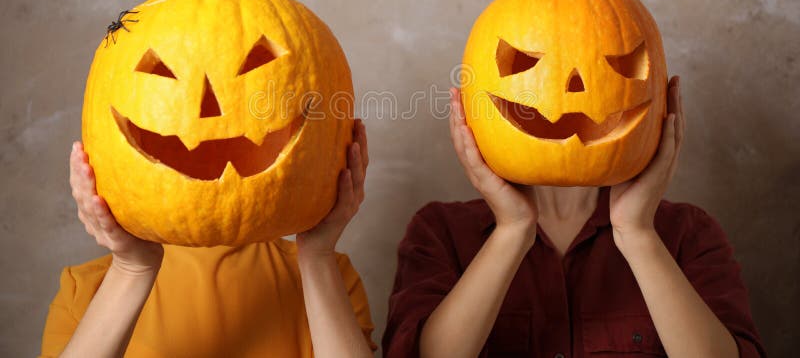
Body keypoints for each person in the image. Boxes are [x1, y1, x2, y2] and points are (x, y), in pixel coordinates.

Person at [383, 77, 766, 357]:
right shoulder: (439, 233)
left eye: (616, 67)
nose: (572, 87)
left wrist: (637, 234)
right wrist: (512, 230)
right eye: (528, 67)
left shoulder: (689, 235)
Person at [40, 120, 375, 358]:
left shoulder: (330, 277)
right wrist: (132, 269)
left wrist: (317, 257)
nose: (209, 112)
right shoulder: (84, 292)